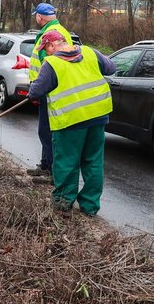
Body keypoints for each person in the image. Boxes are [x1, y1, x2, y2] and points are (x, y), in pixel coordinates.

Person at [26, 30, 115, 215]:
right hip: (97, 115)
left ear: (52, 45)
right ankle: (90, 206)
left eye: (45, 49)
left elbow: (35, 92)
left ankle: (63, 202)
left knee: (66, 161)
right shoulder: (89, 52)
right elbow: (110, 68)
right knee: (93, 162)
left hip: (70, 120)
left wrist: (34, 87)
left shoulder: (52, 63)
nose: (46, 53)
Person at [26, 2, 73, 179]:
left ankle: (51, 170)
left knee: (47, 130)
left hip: (49, 89)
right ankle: (46, 164)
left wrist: (38, 88)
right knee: (45, 129)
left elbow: (49, 64)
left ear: (39, 16)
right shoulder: (58, 30)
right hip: (47, 88)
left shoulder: (51, 34)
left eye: (36, 16)